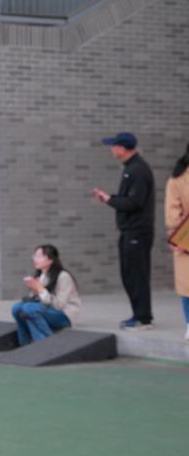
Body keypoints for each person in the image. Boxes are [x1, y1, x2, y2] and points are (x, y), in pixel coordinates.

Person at [93, 132, 155, 330]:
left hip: (137, 231)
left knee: (136, 275)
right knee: (129, 274)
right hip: (131, 231)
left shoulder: (138, 170)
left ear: (122, 148)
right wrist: (109, 198)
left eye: (113, 146)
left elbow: (135, 202)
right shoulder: (131, 168)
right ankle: (139, 315)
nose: (112, 149)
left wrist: (109, 200)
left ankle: (143, 318)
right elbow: (129, 200)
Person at [11, 245, 81, 345]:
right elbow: (37, 302)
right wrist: (34, 292)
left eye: (39, 256)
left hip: (65, 315)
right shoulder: (41, 276)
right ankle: (25, 345)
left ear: (50, 260)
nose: (35, 259)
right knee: (17, 308)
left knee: (29, 308)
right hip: (46, 310)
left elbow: (59, 305)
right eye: (34, 256)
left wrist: (40, 289)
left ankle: (46, 344)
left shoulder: (63, 276)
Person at [164, 142, 189, 341]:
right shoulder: (178, 179)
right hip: (186, 239)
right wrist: (178, 233)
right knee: (187, 286)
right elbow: (172, 214)